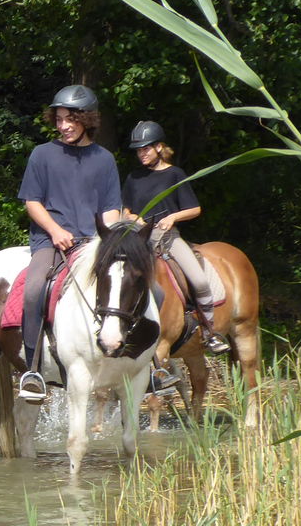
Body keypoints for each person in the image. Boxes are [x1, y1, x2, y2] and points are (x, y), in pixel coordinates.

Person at [16, 83, 124, 403]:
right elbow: (32, 202)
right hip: (52, 242)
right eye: (59, 119)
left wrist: (110, 240)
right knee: (34, 289)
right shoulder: (42, 155)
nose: (63, 125)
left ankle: (150, 364)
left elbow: (110, 209)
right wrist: (54, 230)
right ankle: (32, 370)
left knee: (138, 286)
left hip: (92, 243)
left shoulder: (104, 160)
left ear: (86, 119)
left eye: (71, 119)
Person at [122, 120, 228, 355]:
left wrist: (172, 217)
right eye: (138, 150)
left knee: (199, 280)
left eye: (146, 149)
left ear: (159, 147)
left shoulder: (174, 174)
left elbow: (195, 209)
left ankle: (210, 332)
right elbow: (125, 209)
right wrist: (132, 217)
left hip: (167, 238)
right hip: (139, 240)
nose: (141, 154)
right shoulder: (133, 177)